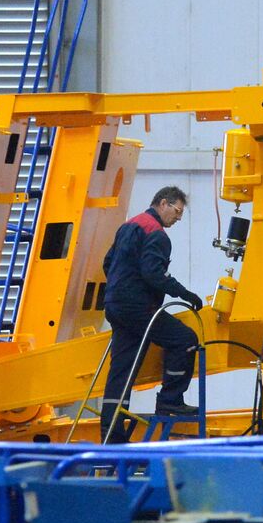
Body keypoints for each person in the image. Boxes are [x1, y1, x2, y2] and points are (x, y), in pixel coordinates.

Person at [98, 186, 204, 443]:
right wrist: (186, 294)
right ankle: (171, 401)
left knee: (122, 370)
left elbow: (107, 263)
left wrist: (120, 289)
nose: (178, 219)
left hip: (115, 305)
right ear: (164, 203)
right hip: (137, 307)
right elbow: (154, 273)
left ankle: (112, 435)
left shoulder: (130, 225)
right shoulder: (157, 234)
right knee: (185, 339)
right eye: (177, 211)